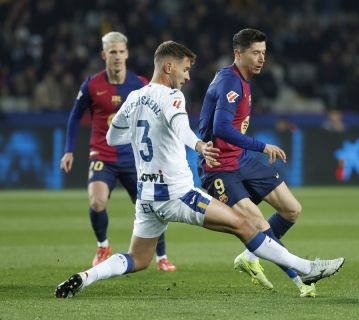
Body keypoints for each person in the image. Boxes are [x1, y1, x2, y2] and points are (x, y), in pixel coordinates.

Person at [55, 40, 344, 299]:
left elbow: (111, 138)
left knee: (138, 259)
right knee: (244, 224)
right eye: (185, 69)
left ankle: (86, 276)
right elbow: (182, 128)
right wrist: (199, 146)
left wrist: (138, 132)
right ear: (169, 67)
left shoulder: (134, 98)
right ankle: (306, 268)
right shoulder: (172, 97)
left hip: (147, 198)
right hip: (176, 194)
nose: (188, 75)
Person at [197, 28, 344, 297]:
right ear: (237, 53)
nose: (261, 58)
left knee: (291, 210)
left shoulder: (242, 79)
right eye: (255, 53)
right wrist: (262, 146)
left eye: (264, 53)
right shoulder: (229, 83)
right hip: (219, 167)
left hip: (240, 159)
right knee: (258, 222)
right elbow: (221, 129)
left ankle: (249, 256)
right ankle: (302, 278)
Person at [60, 31, 176, 271]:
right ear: (104, 54)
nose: (117, 56)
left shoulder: (141, 84)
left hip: (135, 159)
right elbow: (75, 116)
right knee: (97, 201)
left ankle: (161, 256)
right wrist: (68, 150)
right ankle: (103, 246)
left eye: (121, 51)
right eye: (112, 52)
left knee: (151, 206)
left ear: (127, 53)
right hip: (102, 155)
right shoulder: (92, 85)